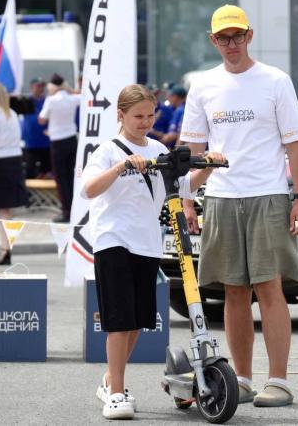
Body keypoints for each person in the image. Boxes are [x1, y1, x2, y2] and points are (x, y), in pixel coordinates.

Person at [179, 4, 298, 407]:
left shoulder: (275, 80)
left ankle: (279, 381)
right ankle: (242, 379)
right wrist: (188, 200)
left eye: (237, 36)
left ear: (249, 36)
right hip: (221, 197)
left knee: (269, 288)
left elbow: (295, 144)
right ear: (213, 40)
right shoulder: (203, 85)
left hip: (267, 194)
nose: (231, 44)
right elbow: (192, 151)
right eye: (223, 38)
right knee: (233, 292)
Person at [81, 84, 225, 420]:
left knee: (136, 322)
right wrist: (121, 167)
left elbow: (184, 186)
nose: (146, 122)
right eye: (138, 116)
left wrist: (209, 166)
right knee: (119, 322)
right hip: (113, 240)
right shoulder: (107, 151)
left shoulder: (159, 148)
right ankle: (116, 393)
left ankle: (110, 380)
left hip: (146, 243)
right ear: (121, 115)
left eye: (150, 115)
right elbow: (88, 189)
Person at [38, 73, 80, 223]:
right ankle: (75, 209)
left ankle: (66, 211)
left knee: (61, 177)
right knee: (71, 176)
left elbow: (42, 120)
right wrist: (70, 90)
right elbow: (84, 95)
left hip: (57, 141)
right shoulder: (73, 98)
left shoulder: (51, 100)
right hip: (71, 139)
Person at [21, 77, 52, 179]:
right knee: (30, 169)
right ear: (31, 87)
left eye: (42, 86)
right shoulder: (26, 101)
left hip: (46, 141)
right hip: (31, 141)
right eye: (38, 86)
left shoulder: (48, 101)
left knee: (46, 171)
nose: (40, 88)